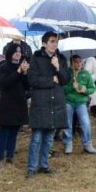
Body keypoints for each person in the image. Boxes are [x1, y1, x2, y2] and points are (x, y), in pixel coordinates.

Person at [26, 32, 70, 179]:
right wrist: (52, 79)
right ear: (44, 44)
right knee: (36, 137)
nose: (54, 44)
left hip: (56, 102)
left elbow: (66, 80)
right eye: (51, 41)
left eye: (56, 41)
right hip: (41, 102)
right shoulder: (36, 58)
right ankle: (31, 168)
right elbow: (33, 80)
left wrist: (58, 67)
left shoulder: (61, 58)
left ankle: (43, 165)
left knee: (49, 138)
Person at [0, 44, 29, 167]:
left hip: (19, 102)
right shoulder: (3, 67)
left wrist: (24, 73)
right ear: (10, 53)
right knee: (4, 131)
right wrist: (18, 72)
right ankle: (0, 158)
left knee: (15, 131)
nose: (18, 53)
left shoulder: (22, 66)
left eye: (20, 51)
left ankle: (10, 156)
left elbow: (27, 86)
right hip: (7, 103)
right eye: (15, 51)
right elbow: (6, 83)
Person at [62, 55, 96, 154]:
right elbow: (63, 89)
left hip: (81, 102)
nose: (78, 64)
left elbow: (92, 88)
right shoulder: (67, 74)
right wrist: (72, 87)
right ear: (71, 63)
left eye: (80, 61)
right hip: (69, 102)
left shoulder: (86, 74)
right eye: (75, 62)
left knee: (85, 123)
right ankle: (68, 143)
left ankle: (87, 144)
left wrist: (85, 90)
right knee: (68, 123)